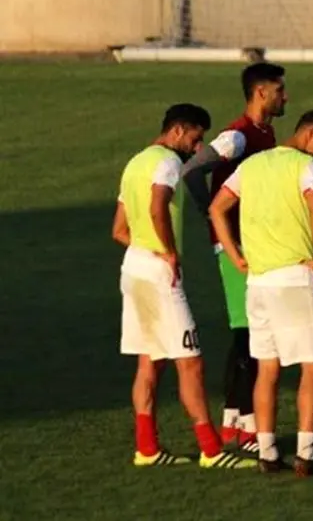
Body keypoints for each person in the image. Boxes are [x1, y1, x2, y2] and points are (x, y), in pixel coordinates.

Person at [114, 103, 255, 470]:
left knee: (150, 363)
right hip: (159, 277)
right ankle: (211, 449)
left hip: (133, 269)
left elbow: (119, 230)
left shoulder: (135, 163)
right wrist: (168, 252)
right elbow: (159, 205)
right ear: (177, 131)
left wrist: (147, 249)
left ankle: (146, 448)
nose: (197, 147)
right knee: (190, 364)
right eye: (195, 138)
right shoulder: (166, 162)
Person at [209, 109, 313, 476]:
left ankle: (267, 452)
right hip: (295, 277)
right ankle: (307, 453)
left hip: (259, 282)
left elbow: (217, 207)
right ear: (312, 133)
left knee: (267, 368)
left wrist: (235, 255)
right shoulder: (305, 166)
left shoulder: (251, 165)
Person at [179, 62, 287, 450]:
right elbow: (192, 170)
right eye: (280, 90)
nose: (285, 96)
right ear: (261, 92)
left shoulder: (265, 132)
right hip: (235, 247)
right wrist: (211, 212)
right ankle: (244, 428)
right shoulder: (238, 137)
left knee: (250, 333)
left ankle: (233, 421)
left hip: (252, 243)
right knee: (250, 334)